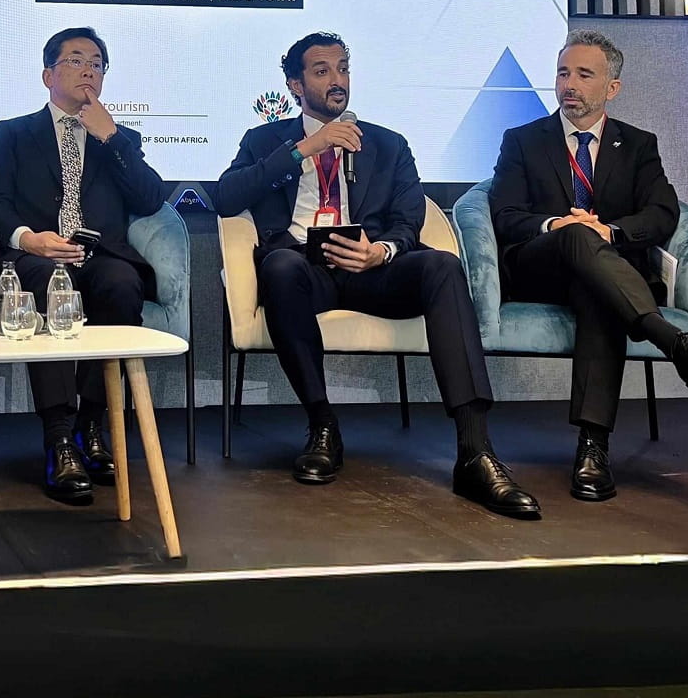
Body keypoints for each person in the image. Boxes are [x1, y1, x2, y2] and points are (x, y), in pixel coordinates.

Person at [215, 32, 539, 518]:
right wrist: (305, 149)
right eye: (322, 71)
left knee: (442, 266)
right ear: (296, 86)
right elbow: (225, 197)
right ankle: (323, 426)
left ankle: (476, 450)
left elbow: (410, 219)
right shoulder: (264, 141)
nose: (337, 80)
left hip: (373, 270)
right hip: (304, 270)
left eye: (343, 68)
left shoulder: (388, 144)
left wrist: (381, 251)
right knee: (280, 267)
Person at [488, 30, 688, 502]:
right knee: (576, 234)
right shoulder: (523, 141)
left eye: (584, 74)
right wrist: (557, 224)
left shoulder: (638, 145)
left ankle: (593, 447)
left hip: (605, 274)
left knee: (597, 288)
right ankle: (675, 342)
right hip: (540, 267)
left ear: (612, 87)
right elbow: (504, 214)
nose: (569, 85)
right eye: (563, 73)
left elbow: (662, 213)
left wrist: (611, 232)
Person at [0, 27, 167, 505]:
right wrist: (30, 239)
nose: (89, 71)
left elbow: (151, 198)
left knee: (122, 282)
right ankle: (59, 437)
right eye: (77, 60)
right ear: (48, 75)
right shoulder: (14, 133)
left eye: (98, 64)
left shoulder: (118, 139)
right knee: (48, 283)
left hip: (99, 256)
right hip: (38, 257)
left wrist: (111, 137)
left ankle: (92, 425)